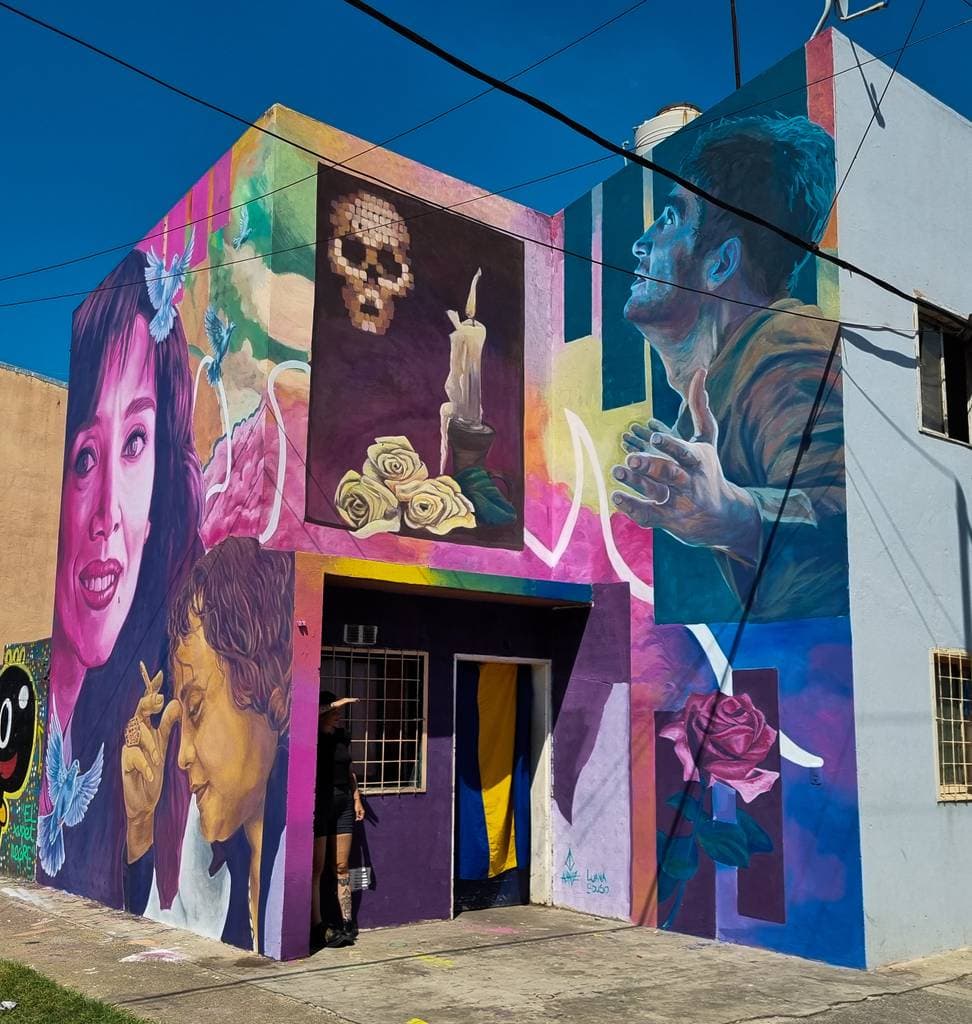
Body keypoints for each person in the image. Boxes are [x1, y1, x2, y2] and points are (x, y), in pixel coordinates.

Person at [611, 114, 847, 622]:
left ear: (719, 264)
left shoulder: (788, 347)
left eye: (671, 219)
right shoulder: (730, 375)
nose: (640, 242)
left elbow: (843, 518)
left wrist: (734, 516)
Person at [39, 247, 203, 911]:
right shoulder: (53, 719)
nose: (106, 514)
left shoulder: (157, 711)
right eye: (84, 457)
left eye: (135, 442)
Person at [120, 536, 294, 955]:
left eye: (194, 710)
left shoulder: (292, 845)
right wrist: (141, 821)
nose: (181, 756)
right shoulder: (208, 851)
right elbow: (158, 928)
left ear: (266, 685)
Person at [312, 691, 364, 949]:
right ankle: (318, 925)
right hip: (320, 804)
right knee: (317, 870)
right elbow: (309, 714)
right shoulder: (313, 735)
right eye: (334, 714)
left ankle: (346, 922)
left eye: (339, 714)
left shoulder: (342, 738)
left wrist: (356, 799)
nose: (338, 718)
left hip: (343, 803)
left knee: (342, 866)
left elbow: (350, 770)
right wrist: (333, 704)